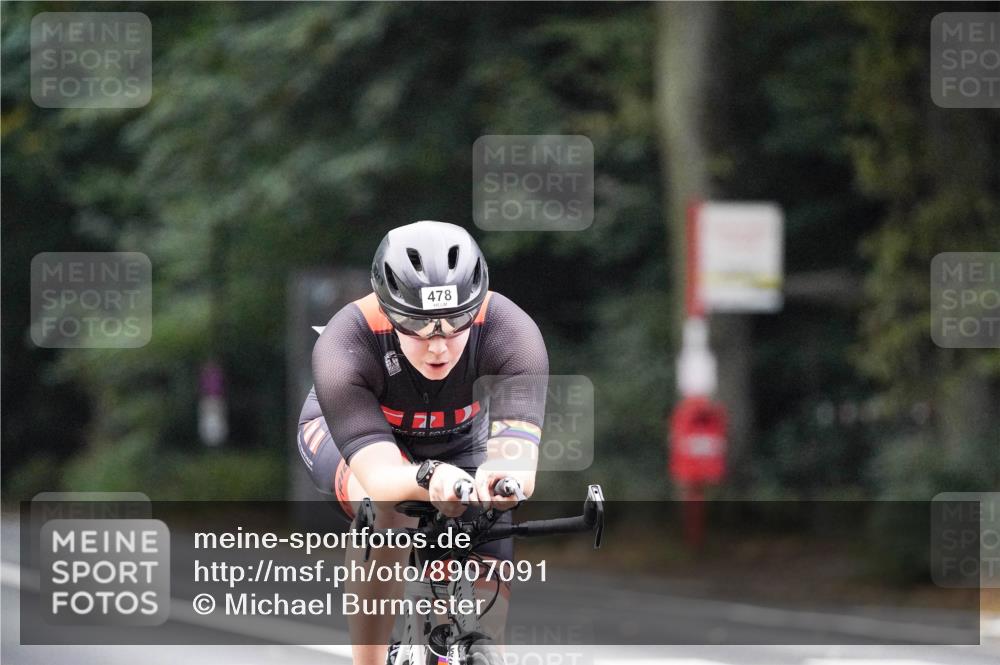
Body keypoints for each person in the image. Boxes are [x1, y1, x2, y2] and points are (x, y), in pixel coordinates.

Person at [297, 220, 548, 665]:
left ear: (478, 308)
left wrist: (499, 481)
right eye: (418, 326)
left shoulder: (511, 331)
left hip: (458, 441)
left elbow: (517, 462)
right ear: (387, 310)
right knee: (389, 512)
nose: (439, 346)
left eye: (456, 325)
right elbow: (380, 477)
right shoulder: (346, 343)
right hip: (362, 443)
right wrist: (429, 479)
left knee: (489, 614)